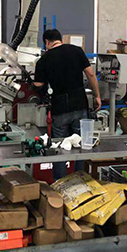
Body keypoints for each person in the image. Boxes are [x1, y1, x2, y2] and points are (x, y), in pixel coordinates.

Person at [34, 29, 101, 180]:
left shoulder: (44, 60)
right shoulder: (77, 51)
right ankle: (81, 181)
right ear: (60, 39)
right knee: (81, 146)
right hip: (79, 104)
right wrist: (97, 95)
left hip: (60, 108)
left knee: (59, 148)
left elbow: (38, 85)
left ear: (47, 42)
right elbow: (90, 74)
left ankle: (60, 184)